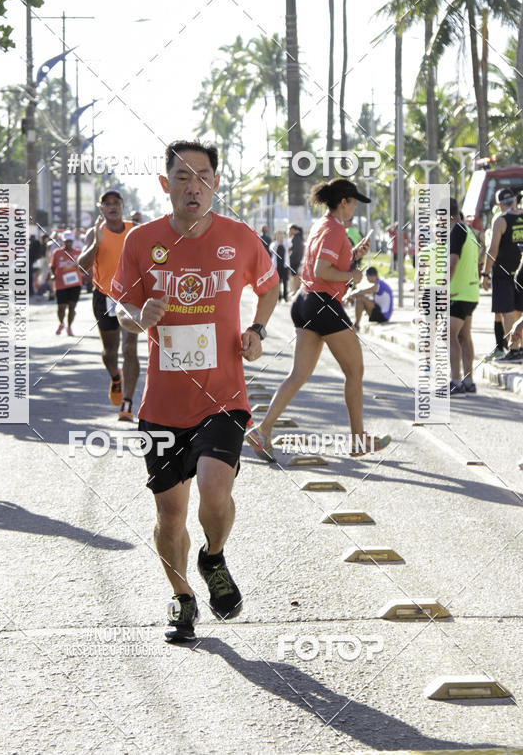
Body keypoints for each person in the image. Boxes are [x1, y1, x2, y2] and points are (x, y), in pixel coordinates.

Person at [112, 140, 278, 642]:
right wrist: (139, 316)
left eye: (203, 177)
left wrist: (257, 330)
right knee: (169, 514)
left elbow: (269, 286)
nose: (194, 187)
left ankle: (214, 556)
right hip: (163, 406)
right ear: (166, 184)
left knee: (214, 488)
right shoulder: (141, 241)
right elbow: (121, 307)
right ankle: (182, 598)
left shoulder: (239, 237)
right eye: (183, 177)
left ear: (216, 184)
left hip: (223, 398)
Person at [246, 178, 391, 461]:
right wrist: (352, 275)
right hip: (323, 304)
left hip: (304, 301)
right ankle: (358, 439)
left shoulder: (321, 225)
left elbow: (322, 266)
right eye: (353, 203)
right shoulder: (335, 230)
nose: (355, 209)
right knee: (355, 372)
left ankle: (262, 431)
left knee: (298, 374)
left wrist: (354, 257)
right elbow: (322, 270)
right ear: (343, 202)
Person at [78, 190, 139, 422]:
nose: (112, 206)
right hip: (104, 296)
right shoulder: (95, 232)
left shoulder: (135, 230)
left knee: (129, 349)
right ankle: (115, 377)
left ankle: (128, 403)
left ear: (123, 206)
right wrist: (96, 242)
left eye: (116, 202)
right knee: (110, 352)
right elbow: (82, 267)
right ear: (101, 208)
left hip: (131, 297)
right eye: (107, 203)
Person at [481, 188, 523, 361]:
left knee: (507, 312)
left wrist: (485, 274)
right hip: (521, 270)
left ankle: (514, 349)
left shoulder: (500, 221)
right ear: (515, 200)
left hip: (504, 274)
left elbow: (493, 250)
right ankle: (521, 348)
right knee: (520, 311)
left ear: (499, 205)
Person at [448, 198, 480, 394]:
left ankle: (456, 381)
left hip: (458, 293)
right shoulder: (469, 231)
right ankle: (469, 381)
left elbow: (453, 263)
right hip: (471, 292)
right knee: (464, 336)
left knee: (449, 335)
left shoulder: (457, 231)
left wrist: (443, 288)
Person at [50, 231, 83, 336]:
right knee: (61, 307)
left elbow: (84, 265)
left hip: (75, 284)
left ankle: (69, 327)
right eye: (66, 241)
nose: (68, 243)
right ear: (63, 241)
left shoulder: (78, 252)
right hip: (61, 284)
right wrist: (53, 275)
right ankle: (61, 323)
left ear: (72, 241)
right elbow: (52, 266)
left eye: (70, 241)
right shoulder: (57, 253)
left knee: (72, 307)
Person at [347, 266, 393, 331]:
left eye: (367, 276)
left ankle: (356, 325)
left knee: (360, 298)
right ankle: (356, 324)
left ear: (372, 276)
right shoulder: (378, 284)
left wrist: (352, 295)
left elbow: (367, 291)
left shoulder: (380, 284)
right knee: (360, 298)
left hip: (383, 316)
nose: (367, 278)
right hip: (380, 313)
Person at [271, 230, 289, 301]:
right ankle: (279, 295)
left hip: (284, 265)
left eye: (281, 235)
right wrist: (277, 242)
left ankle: (285, 296)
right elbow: (271, 249)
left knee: (285, 281)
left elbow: (290, 244)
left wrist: (284, 239)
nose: (280, 237)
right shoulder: (274, 244)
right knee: (277, 281)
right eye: (278, 235)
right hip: (277, 265)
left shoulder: (286, 242)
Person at [288, 225, 304, 294]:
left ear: (293, 229)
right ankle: (296, 291)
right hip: (298, 260)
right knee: (297, 276)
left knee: (294, 276)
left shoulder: (295, 237)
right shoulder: (300, 237)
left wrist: (290, 256)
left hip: (294, 260)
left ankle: (295, 291)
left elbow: (295, 250)